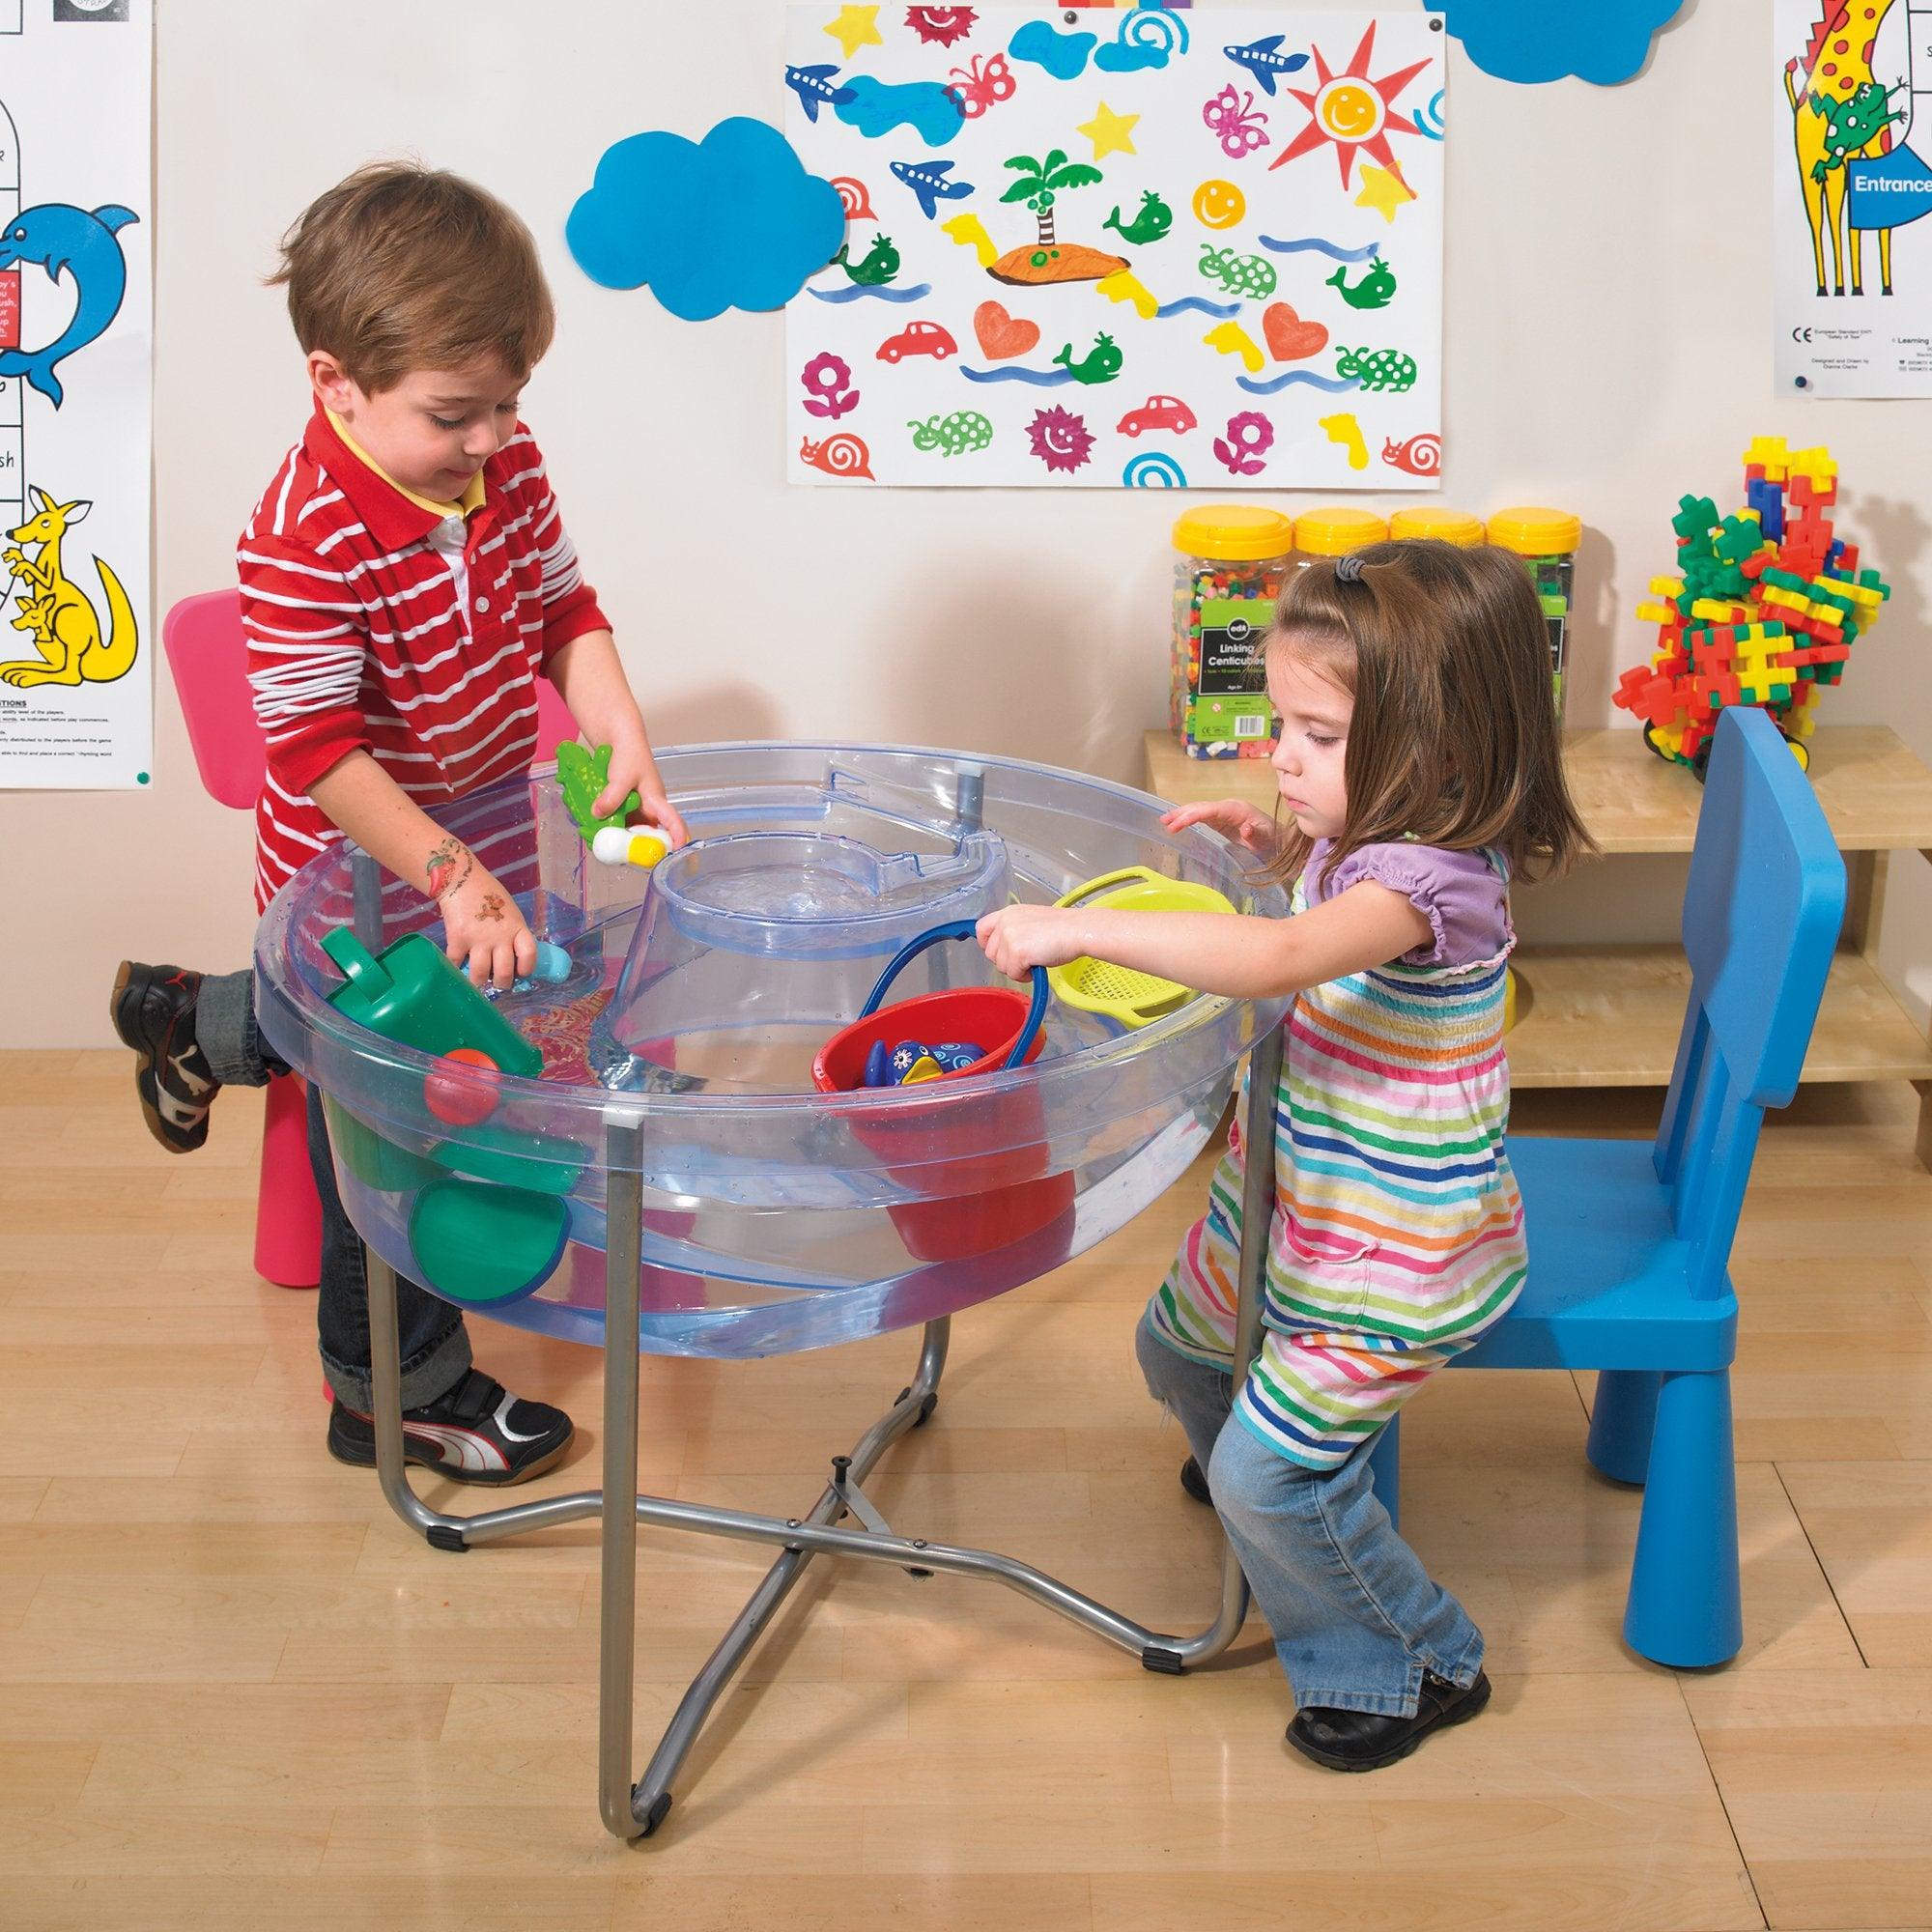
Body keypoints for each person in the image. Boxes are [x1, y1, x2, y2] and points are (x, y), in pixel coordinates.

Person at [111, 162, 685, 1484]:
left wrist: (624, 738)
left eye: (508, 405)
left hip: (472, 846)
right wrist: (446, 868)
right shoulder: (302, 535)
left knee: (438, 1029)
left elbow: (562, 613)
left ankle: (185, 1019)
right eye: (453, 415)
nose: (490, 440)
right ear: (336, 385)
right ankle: (391, 1395)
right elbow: (313, 750)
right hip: (358, 875)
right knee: (399, 1118)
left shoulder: (505, 462)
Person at [978, 539, 1592, 1770]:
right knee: (1172, 1348)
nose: (1282, 753)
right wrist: (1269, 850)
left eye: (1315, 734)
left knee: (1267, 1478)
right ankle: (1281, 1501)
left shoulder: (1431, 880)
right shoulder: (1373, 846)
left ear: (1442, 752)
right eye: (1282, 723)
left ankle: (1411, 1659)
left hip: (1392, 1257)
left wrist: (1078, 926)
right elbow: (1311, 918)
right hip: (1300, 1207)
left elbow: (1276, 960)